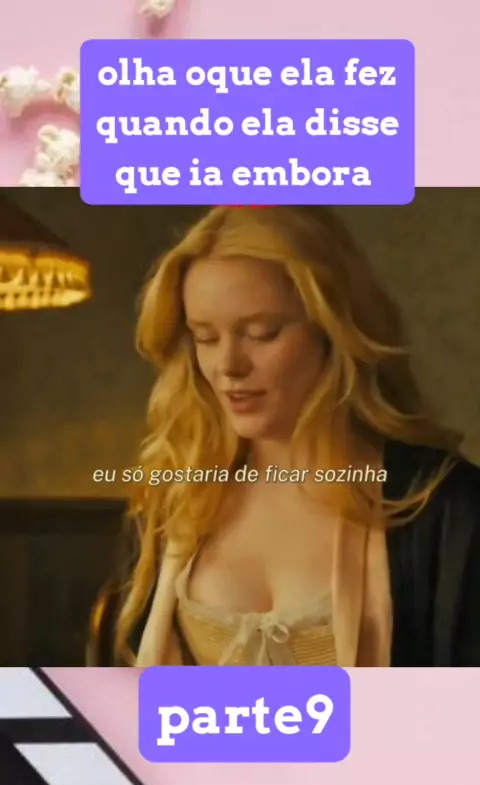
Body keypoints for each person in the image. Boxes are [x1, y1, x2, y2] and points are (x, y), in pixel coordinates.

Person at [89, 205, 480, 667]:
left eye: (262, 333)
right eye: (205, 337)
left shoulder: (443, 505)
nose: (228, 366)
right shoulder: (174, 503)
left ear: (333, 328)